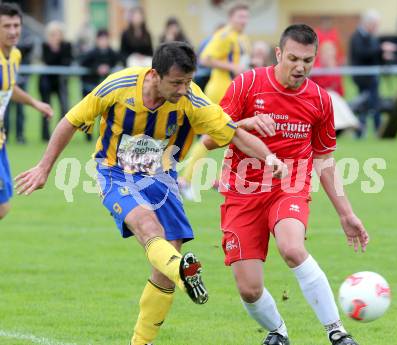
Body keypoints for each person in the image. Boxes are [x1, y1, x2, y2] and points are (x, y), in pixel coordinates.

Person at [15, 41, 287, 345]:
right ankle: (185, 278)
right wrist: (44, 167)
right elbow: (70, 121)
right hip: (114, 172)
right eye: (176, 82)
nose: (183, 89)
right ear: (155, 75)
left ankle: (141, 340)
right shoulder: (119, 87)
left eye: (188, 81)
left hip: (162, 177)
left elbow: (234, 134)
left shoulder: (192, 100)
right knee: (148, 227)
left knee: (164, 265)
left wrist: (270, 158)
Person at [203, 24, 369, 345]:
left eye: (307, 60)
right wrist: (243, 123)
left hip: (289, 185)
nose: (300, 67)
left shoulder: (320, 100)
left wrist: (346, 214)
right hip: (243, 191)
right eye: (293, 58)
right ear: (278, 53)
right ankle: (278, 331)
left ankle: (337, 332)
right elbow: (209, 139)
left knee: (292, 248)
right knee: (249, 288)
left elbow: (323, 160)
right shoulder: (247, 84)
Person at [179, 2, 251, 199]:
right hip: (220, 91)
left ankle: (223, 179)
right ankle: (185, 180)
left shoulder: (242, 38)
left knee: (238, 133)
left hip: (235, 91)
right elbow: (205, 58)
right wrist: (232, 66)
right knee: (215, 137)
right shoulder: (224, 36)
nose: (243, 20)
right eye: (240, 17)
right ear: (231, 18)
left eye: (246, 16)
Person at [0, 2, 53, 220]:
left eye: (16, 25)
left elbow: (9, 87)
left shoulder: (15, 56)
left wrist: (34, 103)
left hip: (1, 142)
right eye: (6, 26)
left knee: (2, 208)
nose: (13, 31)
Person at [349, 10, 397, 138]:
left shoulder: (371, 37)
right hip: (363, 78)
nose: (376, 28)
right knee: (364, 106)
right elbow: (362, 53)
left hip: (373, 77)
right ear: (368, 23)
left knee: (373, 105)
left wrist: (384, 56)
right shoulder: (356, 37)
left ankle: (376, 131)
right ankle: (362, 131)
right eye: (375, 25)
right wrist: (381, 49)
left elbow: (374, 56)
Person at [79, 28, 120, 141]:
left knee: (105, 113)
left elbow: (119, 61)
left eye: (105, 39)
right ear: (97, 40)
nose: (103, 42)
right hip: (90, 86)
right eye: (101, 39)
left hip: (106, 89)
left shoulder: (112, 53)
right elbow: (82, 63)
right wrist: (97, 68)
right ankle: (88, 136)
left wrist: (109, 68)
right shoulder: (91, 52)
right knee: (88, 113)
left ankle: (102, 135)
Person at [39, 21, 72, 141]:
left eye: (57, 33)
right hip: (46, 80)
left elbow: (66, 62)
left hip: (61, 80)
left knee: (64, 107)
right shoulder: (45, 46)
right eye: (52, 34)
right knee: (46, 108)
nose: (55, 36)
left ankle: (60, 134)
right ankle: (45, 135)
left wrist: (57, 50)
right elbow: (48, 61)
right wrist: (54, 49)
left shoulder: (67, 45)